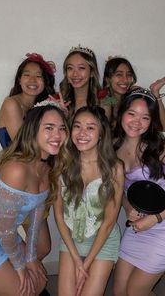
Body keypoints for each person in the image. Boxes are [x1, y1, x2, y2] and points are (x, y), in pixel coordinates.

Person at [0, 101, 69, 296]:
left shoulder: (46, 167)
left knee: (40, 280)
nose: (57, 135)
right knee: (29, 288)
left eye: (61, 128)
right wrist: (20, 267)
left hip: (5, 238)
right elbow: (5, 231)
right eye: (49, 128)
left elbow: (36, 214)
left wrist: (31, 258)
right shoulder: (16, 169)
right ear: (33, 130)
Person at [112, 87, 165, 296]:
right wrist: (129, 208)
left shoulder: (159, 148)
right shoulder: (113, 147)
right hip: (138, 227)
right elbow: (121, 191)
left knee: (134, 292)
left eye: (145, 117)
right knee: (120, 292)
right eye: (131, 114)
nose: (137, 122)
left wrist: (154, 219)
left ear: (151, 122)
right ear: (121, 113)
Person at [53, 106, 124, 296]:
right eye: (77, 126)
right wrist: (76, 259)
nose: (82, 133)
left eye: (90, 128)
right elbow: (58, 213)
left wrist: (86, 263)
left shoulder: (115, 168)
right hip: (71, 240)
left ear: (101, 134)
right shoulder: (62, 162)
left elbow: (109, 222)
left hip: (103, 240)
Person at [0, 52, 56, 148]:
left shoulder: (43, 107)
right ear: (19, 80)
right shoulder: (11, 104)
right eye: (27, 75)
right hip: (16, 162)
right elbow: (24, 146)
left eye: (38, 76)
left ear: (45, 82)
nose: (32, 80)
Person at [101, 56, 165, 132]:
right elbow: (104, 132)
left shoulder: (135, 94)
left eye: (129, 75)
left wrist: (155, 94)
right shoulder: (105, 99)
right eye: (119, 75)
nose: (125, 79)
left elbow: (163, 127)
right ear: (107, 79)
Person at [59, 44, 103, 119]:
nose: (75, 74)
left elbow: (116, 101)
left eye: (81, 68)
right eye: (70, 68)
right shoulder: (59, 100)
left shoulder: (103, 97)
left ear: (92, 72)